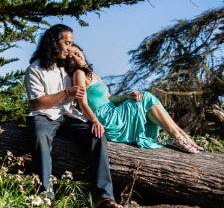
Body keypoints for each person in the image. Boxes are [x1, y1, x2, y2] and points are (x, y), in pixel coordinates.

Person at [24, 24, 124, 208]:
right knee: (40, 136)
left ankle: (103, 197)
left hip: (69, 116)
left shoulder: (67, 68)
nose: (70, 47)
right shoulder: (35, 69)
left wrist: (95, 120)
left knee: (97, 134)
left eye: (71, 43)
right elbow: (38, 103)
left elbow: (87, 84)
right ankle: (43, 195)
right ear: (54, 43)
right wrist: (65, 93)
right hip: (44, 115)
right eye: (67, 43)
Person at [64, 43, 203, 153]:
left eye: (77, 53)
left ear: (82, 51)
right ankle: (178, 137)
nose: (76, 58)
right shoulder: (78, 74)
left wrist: (127, 96)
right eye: (71, 57)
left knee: (143, 96)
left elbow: (110, 98)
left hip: (113, 112)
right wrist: (94, 121)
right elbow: (82, 103)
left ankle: (181, 136)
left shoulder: (94, 75)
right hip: (106, 119)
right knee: (146, 97)